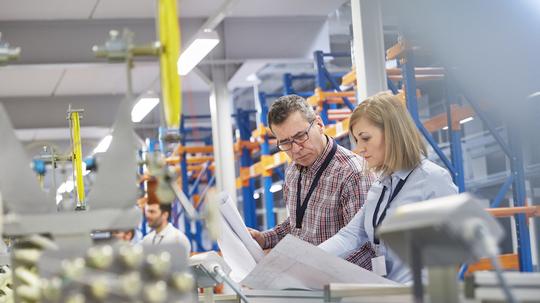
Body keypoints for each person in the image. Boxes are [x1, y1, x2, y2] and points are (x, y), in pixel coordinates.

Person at [319, 92, 458, 283]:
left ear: (393, 133)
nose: (359, 148)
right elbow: (350, 235)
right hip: (387, 289)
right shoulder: (381, 184)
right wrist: (305, 258)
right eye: (356, 140)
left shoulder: (433, 179)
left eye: (365, 138)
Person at [249, 94, 373, 253]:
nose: (295, 149)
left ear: (319, 124)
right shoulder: (293, 171)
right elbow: (298, 225)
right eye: (285, 143)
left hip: (338, 276)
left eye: (300, 136)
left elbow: (364, 248)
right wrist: (264, 238)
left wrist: (312, 266)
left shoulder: (353, 174)